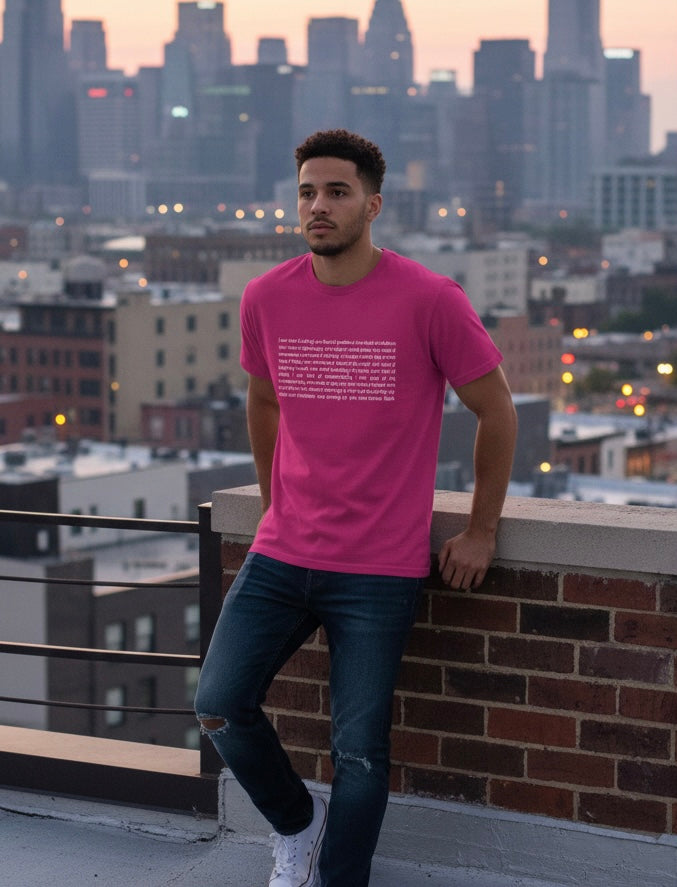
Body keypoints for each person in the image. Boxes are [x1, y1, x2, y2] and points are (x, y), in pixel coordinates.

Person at [195, 129, 517, 887]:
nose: (318, 205)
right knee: (216, 704)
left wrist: (479, 527)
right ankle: (297, 826)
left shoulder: (431, 299)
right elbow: (264, 398)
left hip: (378, 566)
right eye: (307, 190)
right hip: (282, 552)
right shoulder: (266, 296)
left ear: (372, 204)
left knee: (361, 753)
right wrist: (276, 500)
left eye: (336, 192)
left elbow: (497, 411)